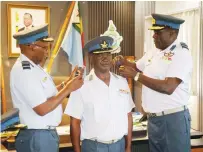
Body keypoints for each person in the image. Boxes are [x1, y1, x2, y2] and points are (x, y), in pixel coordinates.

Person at [113, 13, 192, 152]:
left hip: (172, 120)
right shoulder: (154, 51)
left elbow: (169, 87)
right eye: (154, 32)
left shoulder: (181, 53)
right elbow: (137, 66)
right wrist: (123, 61)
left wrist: (137, 76)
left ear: (172, 33)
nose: (154, 36)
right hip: (154, 121)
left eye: (158, 32)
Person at [10, 24, 84, 152]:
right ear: (31, 46)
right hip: (38, 138)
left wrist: (66, 83)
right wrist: (68, 89)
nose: (47, 52)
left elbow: (44, 94)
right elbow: (42, 108)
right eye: (44, 48)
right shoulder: (25, 71)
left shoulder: (33, 68)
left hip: (42, 136)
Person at [64, 36, 135, 152]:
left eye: (108, 53)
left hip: (119, 145)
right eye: (100, 54)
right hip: (94, 147)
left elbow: (128, 115)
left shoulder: (121, 82)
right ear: (91, 57)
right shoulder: (81, 85)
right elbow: (75, 122)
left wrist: (128, 147)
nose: (105, 58)